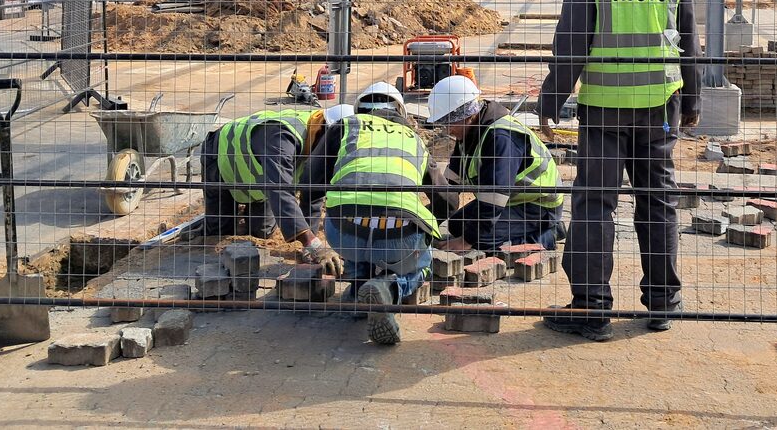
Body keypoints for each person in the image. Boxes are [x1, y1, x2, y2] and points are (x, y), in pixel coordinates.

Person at [537, 0, 701, 341]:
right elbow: (688, 37)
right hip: (658, 108)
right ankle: (663, 303)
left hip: (604, 108)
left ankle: (591, 308)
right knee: (658, 203)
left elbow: (571, 38)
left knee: (594, 205)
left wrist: (552, 97)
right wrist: (692, 99)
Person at [304, 82, 446, 345]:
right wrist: (425, 225)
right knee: (423, 262)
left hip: (345, 234)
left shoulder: (345, 128)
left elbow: (310, 185)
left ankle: (359, 287)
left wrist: (311, 240)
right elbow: (446, 197)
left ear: (359, 109)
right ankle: (392, 287)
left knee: (356, 225)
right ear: (400, 111)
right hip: (399, 237)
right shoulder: (414, 139)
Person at [200, 104, 349, 277]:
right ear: (325, 131)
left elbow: (313, 193)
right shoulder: (282, 136)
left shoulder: (317, 139)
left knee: (262, 233)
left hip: (261, 178)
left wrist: (309, 245)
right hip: (222, 159)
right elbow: (280, 191)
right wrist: (314, 244)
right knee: (221, 232)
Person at [428, 76, 564, 254]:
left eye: (449, 122)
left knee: (480, 239)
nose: (447, 130)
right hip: (511, 201)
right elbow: (448, 190)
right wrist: (425, 226)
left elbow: (494, 197)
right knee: (457, 226)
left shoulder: (500, 138)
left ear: (467, 115)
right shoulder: (469, 134)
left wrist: (467, 241)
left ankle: (549, 235)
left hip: (539, 206)